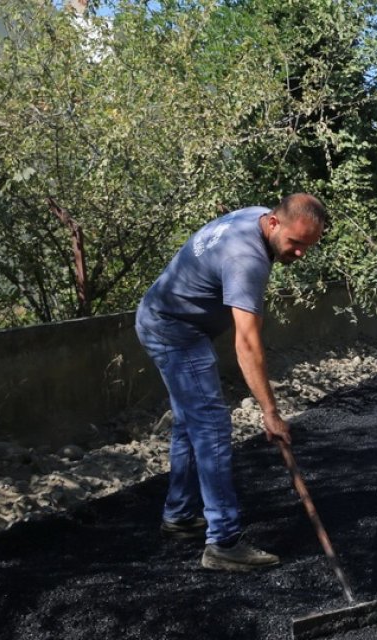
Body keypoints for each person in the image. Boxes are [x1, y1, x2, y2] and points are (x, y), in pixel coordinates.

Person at [135, 193, 327, 571]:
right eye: (295, 244)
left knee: (192, 421)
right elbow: (247, 344)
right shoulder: (247, 258)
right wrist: (270, 413)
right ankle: (223, 542)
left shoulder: (258, 219)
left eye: (309, 246)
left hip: (164, 318)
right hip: (174, 330)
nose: (301, 254)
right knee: (212, 426)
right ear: (274, 224)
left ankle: (179, 515)